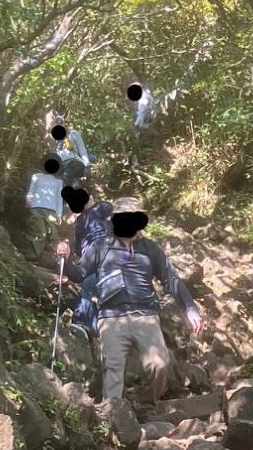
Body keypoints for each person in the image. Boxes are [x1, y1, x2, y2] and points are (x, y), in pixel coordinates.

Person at [81, 197, 202, 408]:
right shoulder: (100, 247)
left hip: (145, 316)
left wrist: (190, 309)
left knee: (159, 365)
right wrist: (61, 259)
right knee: (113, 368)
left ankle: (145, 404)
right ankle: (113, 417)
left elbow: (170, 279)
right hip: (111, 317)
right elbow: (80, 272)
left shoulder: (150, 248)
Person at [45, 110, 93, 188]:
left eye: (61, 123)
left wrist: (87, 166)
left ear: (64, 123)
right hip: (61, 166)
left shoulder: (73, 134)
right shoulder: (53, 139)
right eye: (56, 124)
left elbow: (82, 151)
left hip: (74, 163)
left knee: (68, 174)